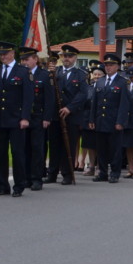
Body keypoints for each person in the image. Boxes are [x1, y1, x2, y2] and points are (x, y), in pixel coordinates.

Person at [0, 40, 33, 197]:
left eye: (5, 54)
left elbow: (28, 97)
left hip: (16, 119)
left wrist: (25, 117)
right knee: (0, 154)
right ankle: (2, 185)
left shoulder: (23, 72)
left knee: (17, 153)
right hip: (0, 119)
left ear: (12, 54)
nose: (2, 57)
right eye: (0, 54)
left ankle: (19, 185)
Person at [46, 44, 87, 185]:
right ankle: (52, 173)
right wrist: (49, 75)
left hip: (71, 115)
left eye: (70, 56)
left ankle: (67, 174)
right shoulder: (54, 72)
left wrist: (69, 108)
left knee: (68, 145)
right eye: (64, 56)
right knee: (54, 145)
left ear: (75, 58)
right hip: (55, 114)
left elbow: (83, 94)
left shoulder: (81, 74)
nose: (67, 59)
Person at [19, 47, 55, 191]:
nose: (24, 62)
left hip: (38, 117)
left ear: (35, 59)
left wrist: (47, 117)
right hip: (23, 117)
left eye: (27, 59)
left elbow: (49, 99)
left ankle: (36, 178)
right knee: (24, 148)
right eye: (22, 60)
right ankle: (26, 178)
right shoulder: (21, 74)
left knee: (37, 148)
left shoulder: (44, 75)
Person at [89, 55, 128, 183]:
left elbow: (124, 104)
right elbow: (94, 102)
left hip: (114, 121)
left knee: (115, 149)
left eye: (111, 65)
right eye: (106, 65)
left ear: (117, 66)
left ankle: (115, 173)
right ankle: (103, 172)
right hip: (100, 120)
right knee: (101, 149)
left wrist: (120, 121)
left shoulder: (122, 82)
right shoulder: (100, 81)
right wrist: (92, 119)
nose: (108, 67)